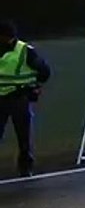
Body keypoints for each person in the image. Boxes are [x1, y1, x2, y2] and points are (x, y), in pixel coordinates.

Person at [0, 20, 52, 177]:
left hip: (19, 97)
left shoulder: (25, 51)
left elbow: (44, 71)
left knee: (23, 136)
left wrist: (34, 86)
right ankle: (25, 166)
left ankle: (25, 167)